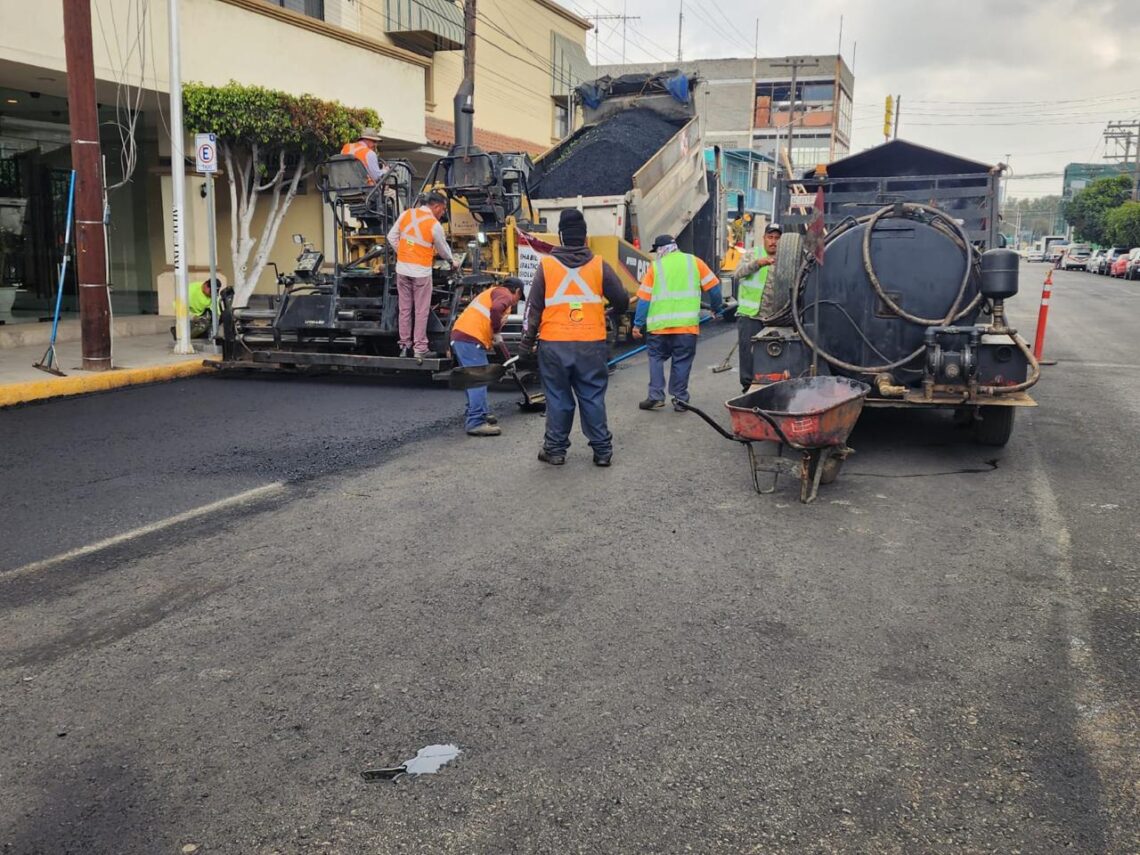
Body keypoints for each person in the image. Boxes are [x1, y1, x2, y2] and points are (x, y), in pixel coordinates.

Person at [518, 209, 629, 467]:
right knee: (591, 396)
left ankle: (555, 450)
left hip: (554, 344)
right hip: (591, 344)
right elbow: (622, 300)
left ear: (561, 237)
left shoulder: (546, 266)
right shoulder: (599, 265)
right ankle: (602, 451)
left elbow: (533, 309)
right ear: (585, 237)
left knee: (558, 397)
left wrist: (526, 344)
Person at [631, 234, 724, 411]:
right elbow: (714, 288)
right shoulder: (694, 262)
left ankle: (656, 395)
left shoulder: (655, 267)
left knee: (656, 358)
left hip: (658, 328)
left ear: (660, 250)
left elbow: (644, 300)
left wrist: (638, 324)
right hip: (686, 327)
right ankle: (680, 399)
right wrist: (716, 308)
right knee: (681, 361)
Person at [387, 191, 460, 361]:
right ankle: (420, 349)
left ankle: (404, 346)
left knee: (405, 309)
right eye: (442, 209)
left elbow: (391, 237)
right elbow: (443, 249)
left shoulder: (406, 214)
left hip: (402, 270)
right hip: (421, 273)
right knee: (420, 311)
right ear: (435, 206)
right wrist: (453, 262)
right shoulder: (434, 225)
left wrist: (403, 253)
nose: (443, 213)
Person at [450, 277, 525, 437]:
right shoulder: (504, 294)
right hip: (470, 337)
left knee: (472, 378)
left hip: (463, 336)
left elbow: (496, 337)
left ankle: (479, 412)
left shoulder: (492, 293)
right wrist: (497, 329)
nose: (515, 302)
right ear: (517, 291)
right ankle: (476, 421)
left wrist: (507, 360)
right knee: (479, 379)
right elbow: (497, 311)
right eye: (519, 298)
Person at [733, 223, 781, 392]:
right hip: (750, 314)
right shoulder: (753, 254)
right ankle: (747, 387)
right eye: (770, 237)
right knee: (748, 353)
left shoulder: (786, 258)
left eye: (777, 238)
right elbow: (737, 274)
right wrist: (757, 264)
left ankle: (769, 386)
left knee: (772, 353)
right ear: (764, 238)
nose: (773, 241)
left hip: (774, 317)